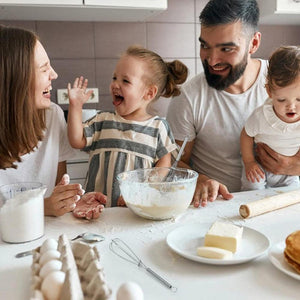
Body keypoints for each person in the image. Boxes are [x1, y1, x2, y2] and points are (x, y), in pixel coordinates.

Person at [167, 0, 300, 208]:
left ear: (253, 44)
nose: (211, 61)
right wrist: (199, 181)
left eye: (226, 49)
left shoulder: (288, 83)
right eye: (204, 46)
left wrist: (295, 166)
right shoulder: (188, 97)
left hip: (283, 204)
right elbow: (172, 165)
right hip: (217, 210)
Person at [0, 25, 106, 219]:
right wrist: (42, 207)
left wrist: (72, 202)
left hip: (45, 234)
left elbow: (59, 189)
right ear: (16, 78)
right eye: (44, 69)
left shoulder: (52, 115)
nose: (54, 75)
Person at [67, 45, 188, 207]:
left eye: (125, 81)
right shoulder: (103, 121)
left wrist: (143, 190)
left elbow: (164, 164)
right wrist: (75, 106)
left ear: (149, 93)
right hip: (96, 211)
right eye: (114, 78)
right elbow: (76, 140)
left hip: (135, 210)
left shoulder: (158, 127)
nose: (115, 84)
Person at [240, 45, 300, 190]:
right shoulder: (261, 116)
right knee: (252, 190)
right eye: (281, 100)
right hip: (259, 167)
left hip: (291, 173)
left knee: (292, 199)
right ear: (269, 92)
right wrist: (249, 162)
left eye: (299, 99)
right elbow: (246, 135)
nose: (291, 107)